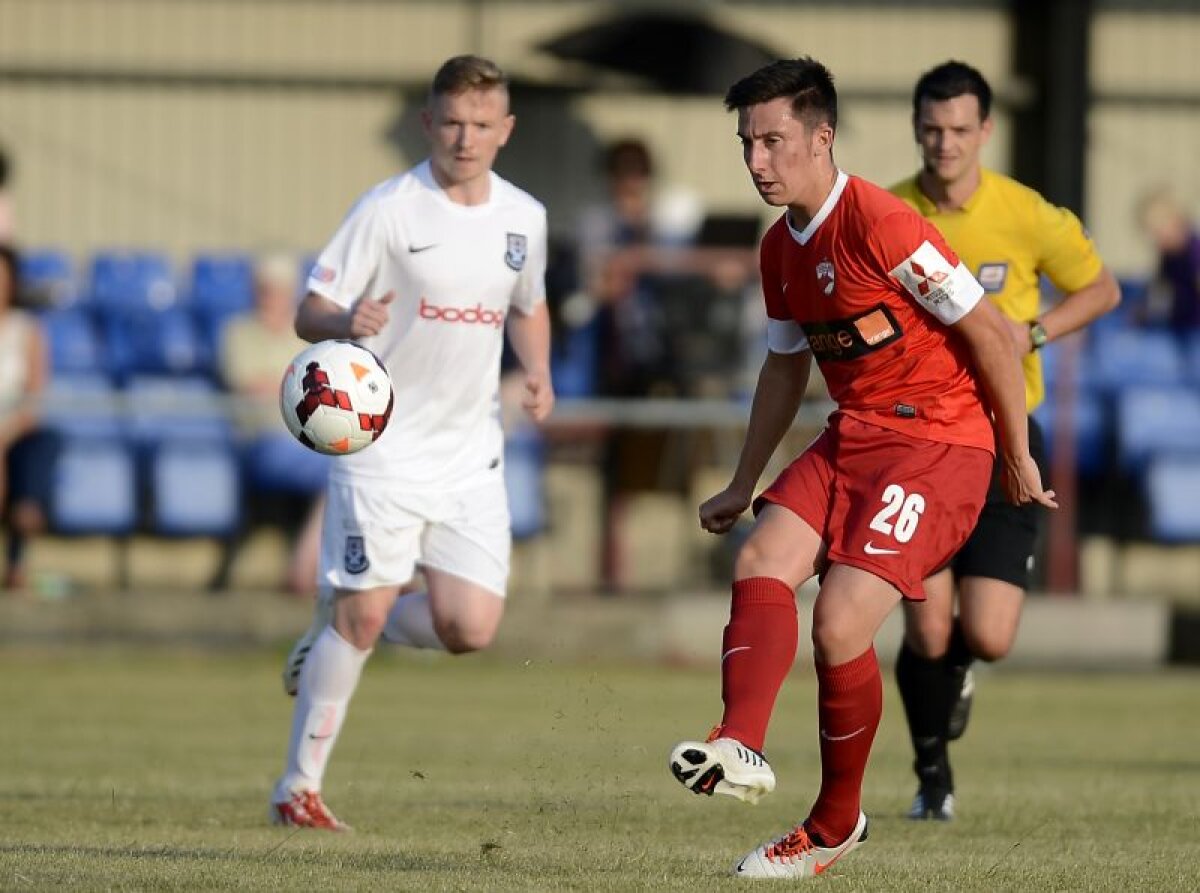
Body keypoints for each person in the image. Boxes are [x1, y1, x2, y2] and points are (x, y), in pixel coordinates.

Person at [665, 57, 1054, 879]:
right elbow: (783, 368)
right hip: (858, 435)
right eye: (747, 144)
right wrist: (744, 480)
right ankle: (739, 743)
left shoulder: (884, 225)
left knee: (840, 621)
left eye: (773, 141)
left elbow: (990, 334)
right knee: (762, 556)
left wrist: (1016, 456)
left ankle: (834, 823)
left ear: (822, 137)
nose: (757, 161)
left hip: (945, 444)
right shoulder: (779, 250)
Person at [269, 55, 553, 830]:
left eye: (481, 124)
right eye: (452, 122)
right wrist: (344, 323)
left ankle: (343, 623)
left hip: (471, 449)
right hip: (381, 445)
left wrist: (539, 371)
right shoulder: (389, 208)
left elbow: (529, 305)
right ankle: (298, 788)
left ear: (505, 130)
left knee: (471, 628)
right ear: (430, 122)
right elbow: (310, 309)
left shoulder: (525, 217)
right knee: (363, 615)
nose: (466, 138)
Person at [888, 60, 1119, 821]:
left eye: (958, 129)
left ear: (985, 130)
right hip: (919, 443)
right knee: (925, 624)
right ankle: (932, 780)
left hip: (1005, 440)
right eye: (930, 127)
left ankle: (959, 670)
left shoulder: (1024, 213)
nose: (943, 142)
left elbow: (1102, 286)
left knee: (986, 634)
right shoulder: (889, 213)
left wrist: (1034, 330)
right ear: (916, 126)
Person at [216, 252, 326, 596]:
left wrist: (281, 385)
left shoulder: (305, 335)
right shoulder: (239, 332)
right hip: (262, 442)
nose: (271, 296)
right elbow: (249, 386)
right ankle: (306, 569)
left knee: (354, 466)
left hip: (307, 438)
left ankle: (308, 565)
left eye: (278, 289)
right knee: (344, 470)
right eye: (265, 288)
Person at [0, 244, 54, 591]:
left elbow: (34, 401)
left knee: (43, 445)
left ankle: (18, 560)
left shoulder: (28, 331)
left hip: (16, 431)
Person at [1136, 188, 1200, 331]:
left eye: (1158, 233)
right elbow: (1159, 286)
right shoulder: (1168, 256)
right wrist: (1144, 310)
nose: (1156, 241)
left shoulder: (1194, 251)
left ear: (1177, 222)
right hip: (1180, 324)